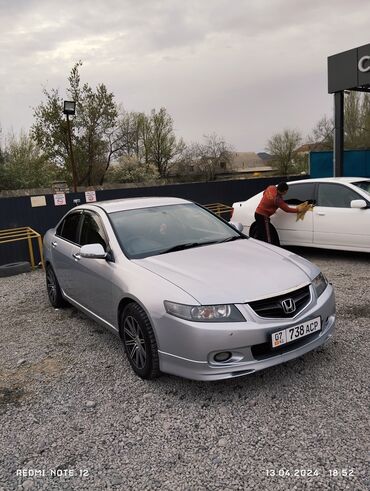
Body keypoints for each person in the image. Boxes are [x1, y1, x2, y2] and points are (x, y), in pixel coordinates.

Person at [253, 181, 298, 246]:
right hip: (263, 216)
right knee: (267, 237)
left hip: (257, 213)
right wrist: (298, 210)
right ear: (285, 191)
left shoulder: (271, 187)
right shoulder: (277, 199)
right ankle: (269, 249)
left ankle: (257, 246)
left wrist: (269, 204)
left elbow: (264, 193)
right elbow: (287, 209)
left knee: (261, 233)